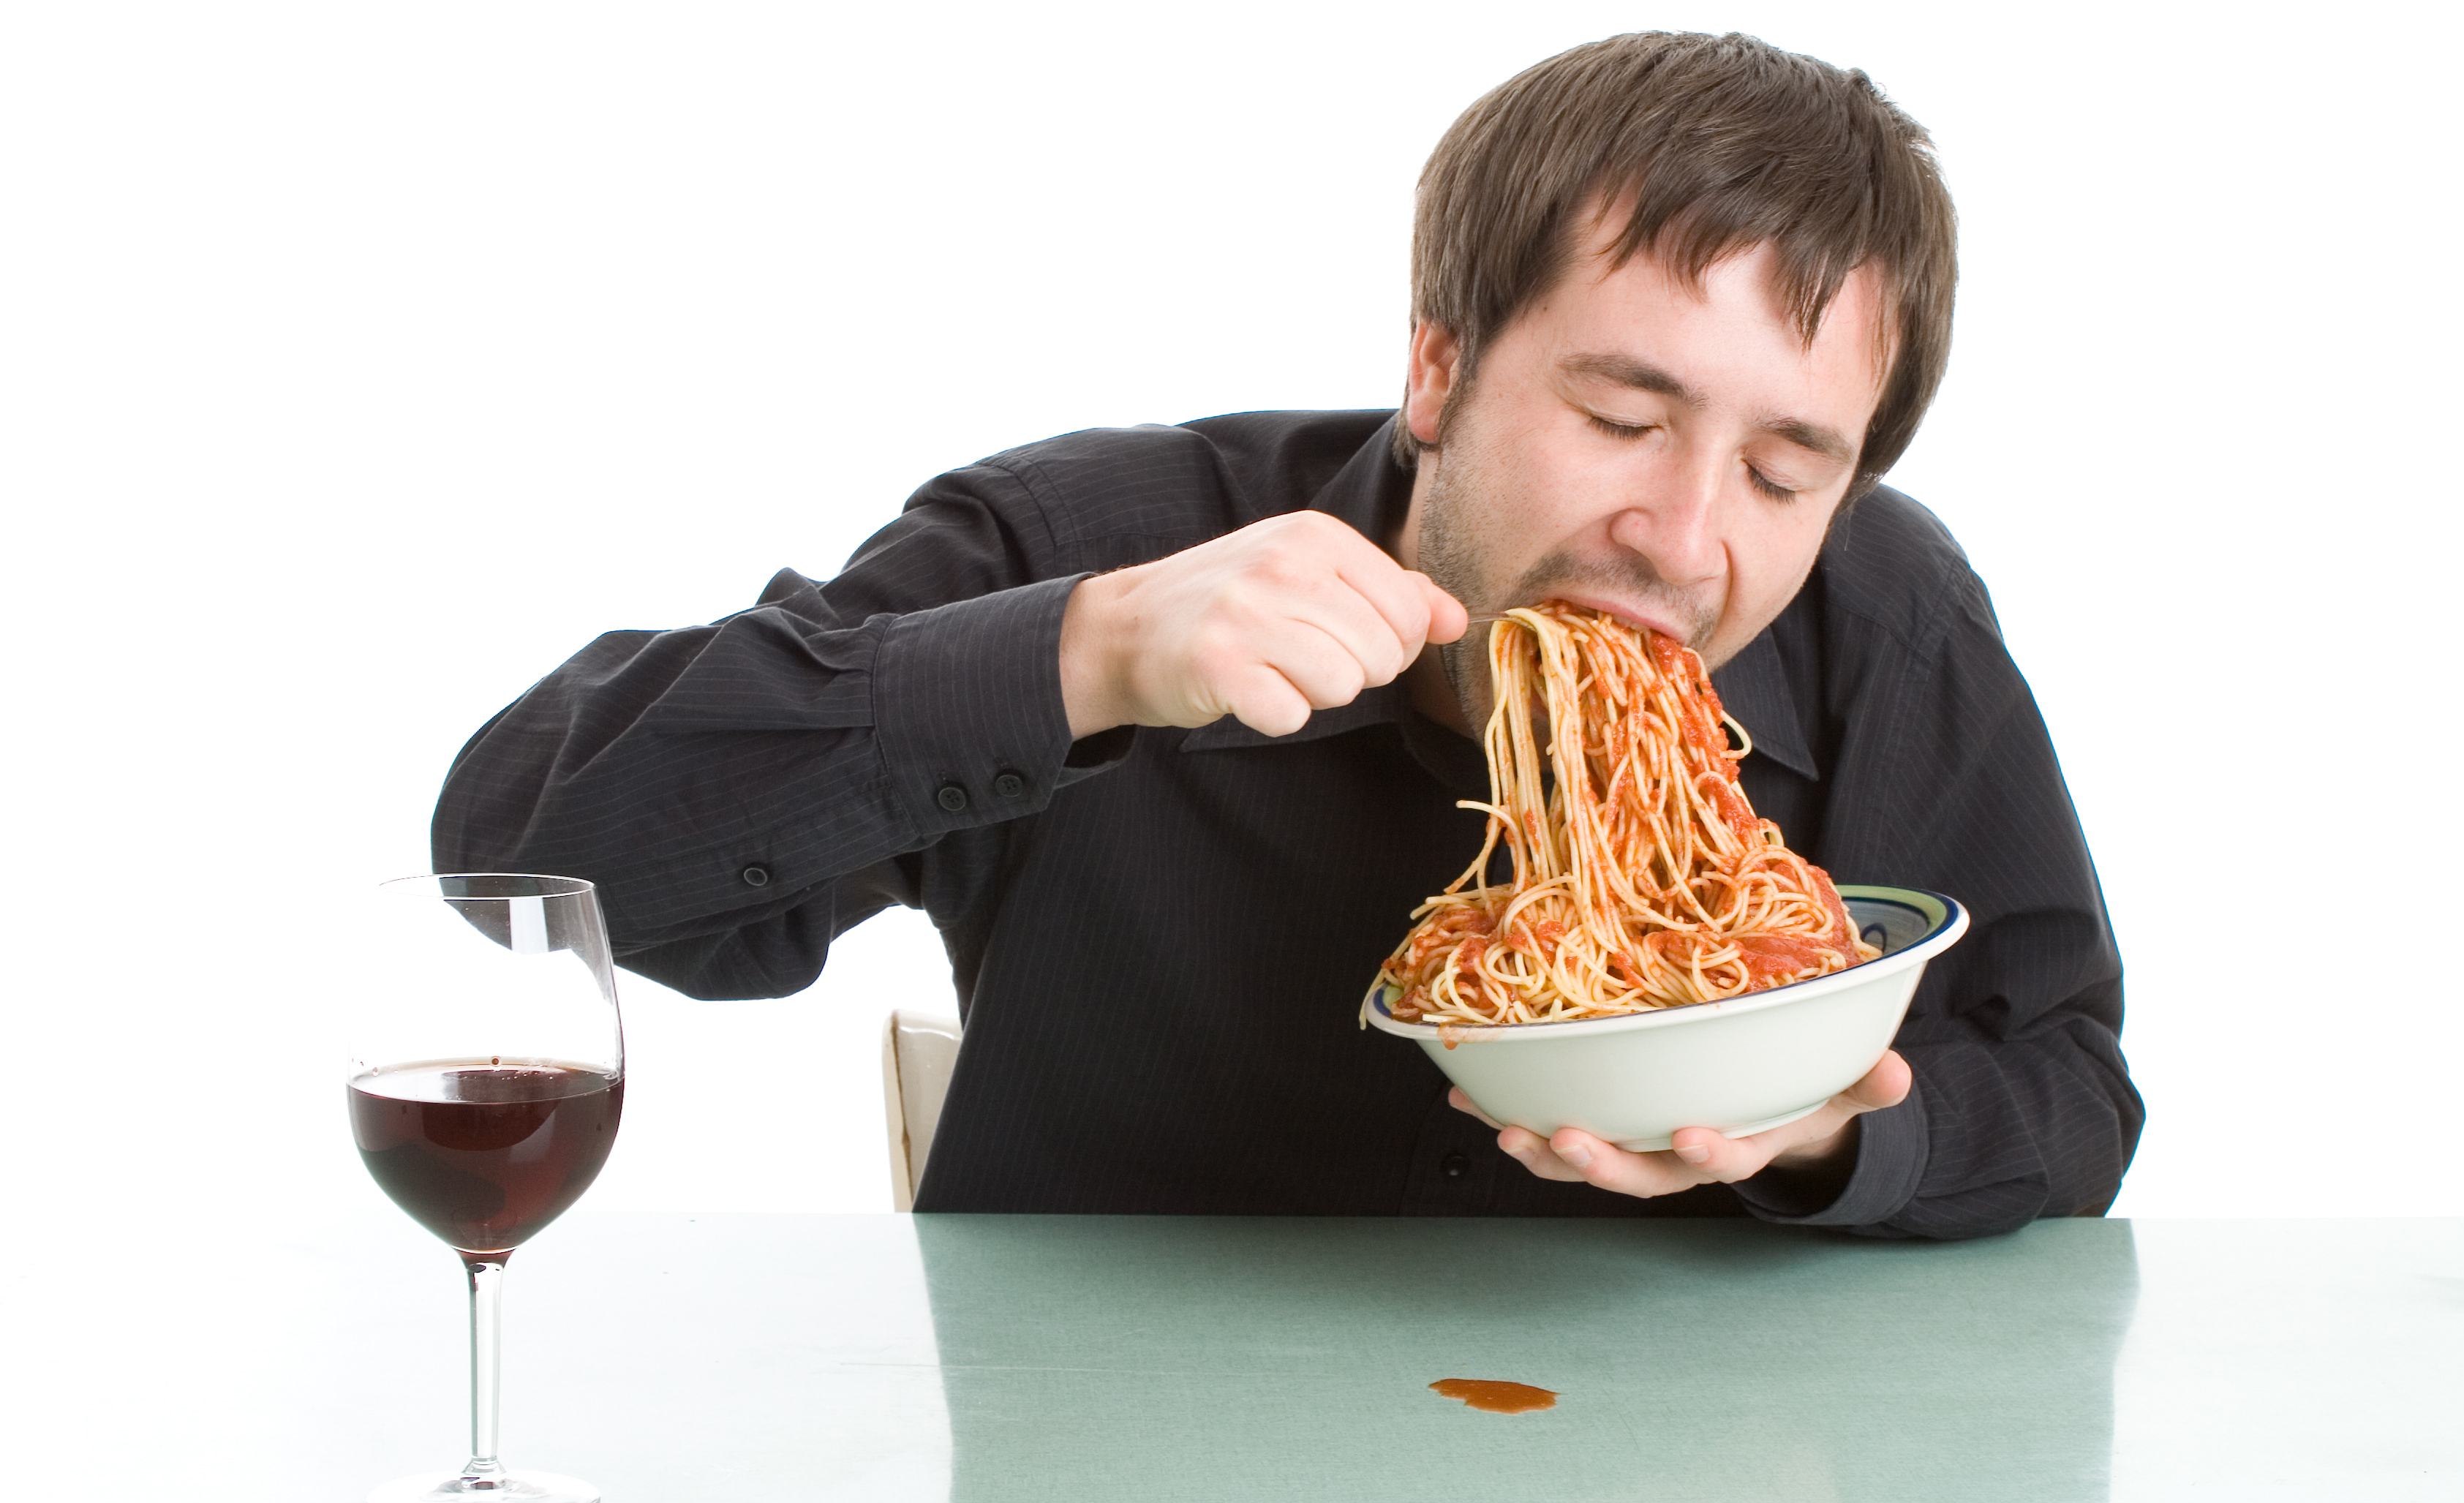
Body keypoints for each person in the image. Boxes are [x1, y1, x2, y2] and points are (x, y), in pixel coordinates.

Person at [434, 31, 2140, 1237]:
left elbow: (2066, 1088)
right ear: (1438, 368)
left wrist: (1827, 1140)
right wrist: (1078, 660)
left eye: (1781, 471)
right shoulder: (1094, 548)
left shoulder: (1882, 617)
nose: (1685, 538)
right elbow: (530, 847)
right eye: (1624, 418)